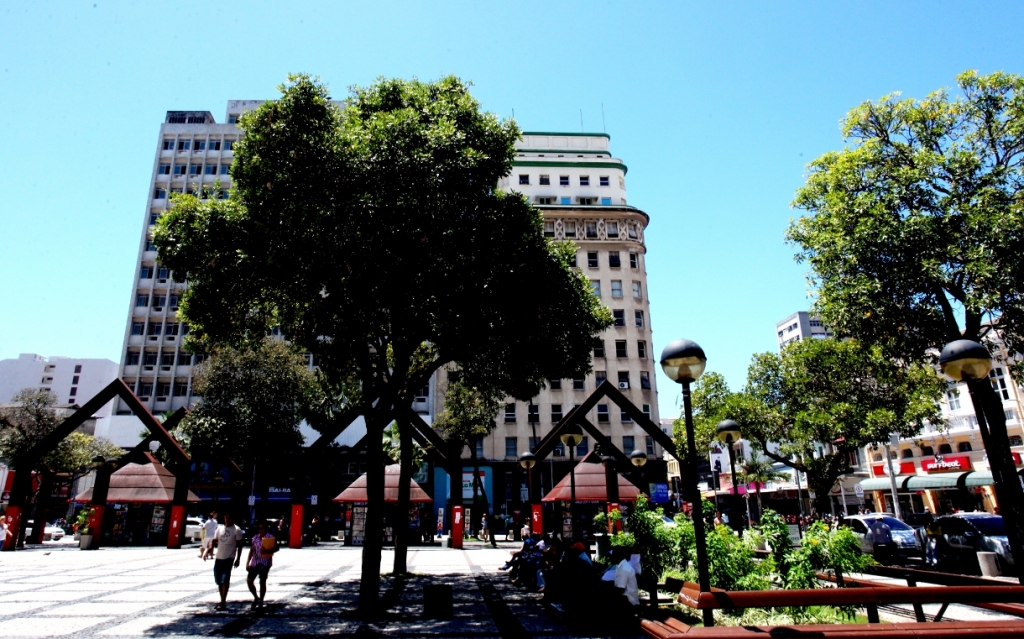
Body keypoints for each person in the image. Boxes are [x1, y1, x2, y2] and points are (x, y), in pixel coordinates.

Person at [211, 512, 244, 611]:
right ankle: (222, 599)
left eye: (229, 518)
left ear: (233, 519)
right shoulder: (220, 528)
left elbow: (240, 545)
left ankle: (223, 601)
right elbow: (215, 540)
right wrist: (208, 550)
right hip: (219, 557)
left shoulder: (236, 530)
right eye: (225, 517)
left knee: (225, 579)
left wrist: (238, 558)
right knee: (218, 579)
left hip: (229, 557)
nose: (227, 520)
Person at [245, 521, 277, 611]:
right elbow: (252, 550)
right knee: (249, 581)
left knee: (262, 582)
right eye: (259, 528)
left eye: (262, 528)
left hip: (265, 562)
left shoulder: (270, 537)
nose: (261, 530)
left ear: (266, 529)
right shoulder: (255, 538)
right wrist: (247, 562)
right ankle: (256, 597)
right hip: (255, 562)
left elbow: (276, 548)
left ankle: (261, 602)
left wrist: (268, 550)